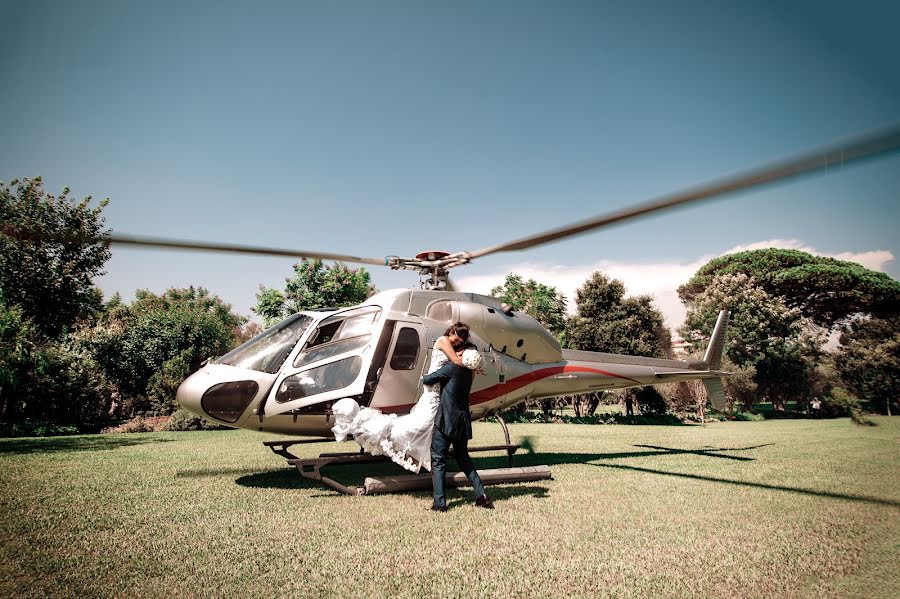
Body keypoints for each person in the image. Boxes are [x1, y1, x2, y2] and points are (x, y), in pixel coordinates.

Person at [331, 322, 479, 473]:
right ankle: (388, 435)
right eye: (456, 336)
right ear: (452, 331)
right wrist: (471, 362)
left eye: (460, 341)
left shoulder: (451, 348)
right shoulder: (443, 340)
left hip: (438, 389)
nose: (456, 340)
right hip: (432, 387)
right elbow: (455, 361)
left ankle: (430, 458)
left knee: (429, 425)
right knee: (421, 424)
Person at [425, 345, 493, 511]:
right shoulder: (470, 373)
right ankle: (481, 495)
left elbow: (429, 379)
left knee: (438, 460)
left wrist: (422, 378)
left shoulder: (452, 368)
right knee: (463, 459)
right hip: (462, 422)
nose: (456, 352)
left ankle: (440, 503)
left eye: (460, 351)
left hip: (446, 421)